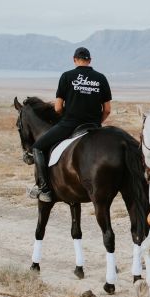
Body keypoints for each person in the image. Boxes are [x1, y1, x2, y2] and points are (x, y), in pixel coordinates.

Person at [28, 47, 112, 202]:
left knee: (38, 147)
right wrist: (96, 123)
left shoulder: (67, 76)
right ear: (90, 60)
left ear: (74, 59)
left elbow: (58, 107)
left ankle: (45, 189)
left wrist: (65, 117)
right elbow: (107, 110)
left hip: (70, 124)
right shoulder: (101, 78)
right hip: (93, 126)